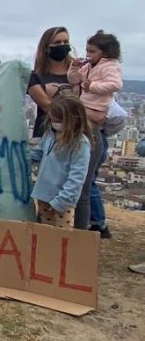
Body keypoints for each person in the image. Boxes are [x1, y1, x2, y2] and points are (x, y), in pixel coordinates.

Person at [68, 30, 123, 236]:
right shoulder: (89, 66)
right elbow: (74, 81)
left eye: (92, 51)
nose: (88, 54)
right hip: (84, 113)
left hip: (95, 116)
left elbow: (116, 84)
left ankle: (85, 230)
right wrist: (74, 70)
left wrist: (93, 85)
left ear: (105, 52)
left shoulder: (110, 67)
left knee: (83, 187)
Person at [29, 95, 91, 227]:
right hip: (43, 195)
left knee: (63, 237)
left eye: (58, 120)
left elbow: (77, 176)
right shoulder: (50, 135)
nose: (54, 122)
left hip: (63, 200)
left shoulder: (80, 143)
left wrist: (62, 200)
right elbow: (37, 154)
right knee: (46, 235)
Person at [27, 27, 77, 139]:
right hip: (46, 134)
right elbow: (47, 107)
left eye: (66, 42)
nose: (63, 45)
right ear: (46, 47)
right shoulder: (35, 76)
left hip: (76, 135)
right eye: (57, 42)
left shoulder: (79, 72)